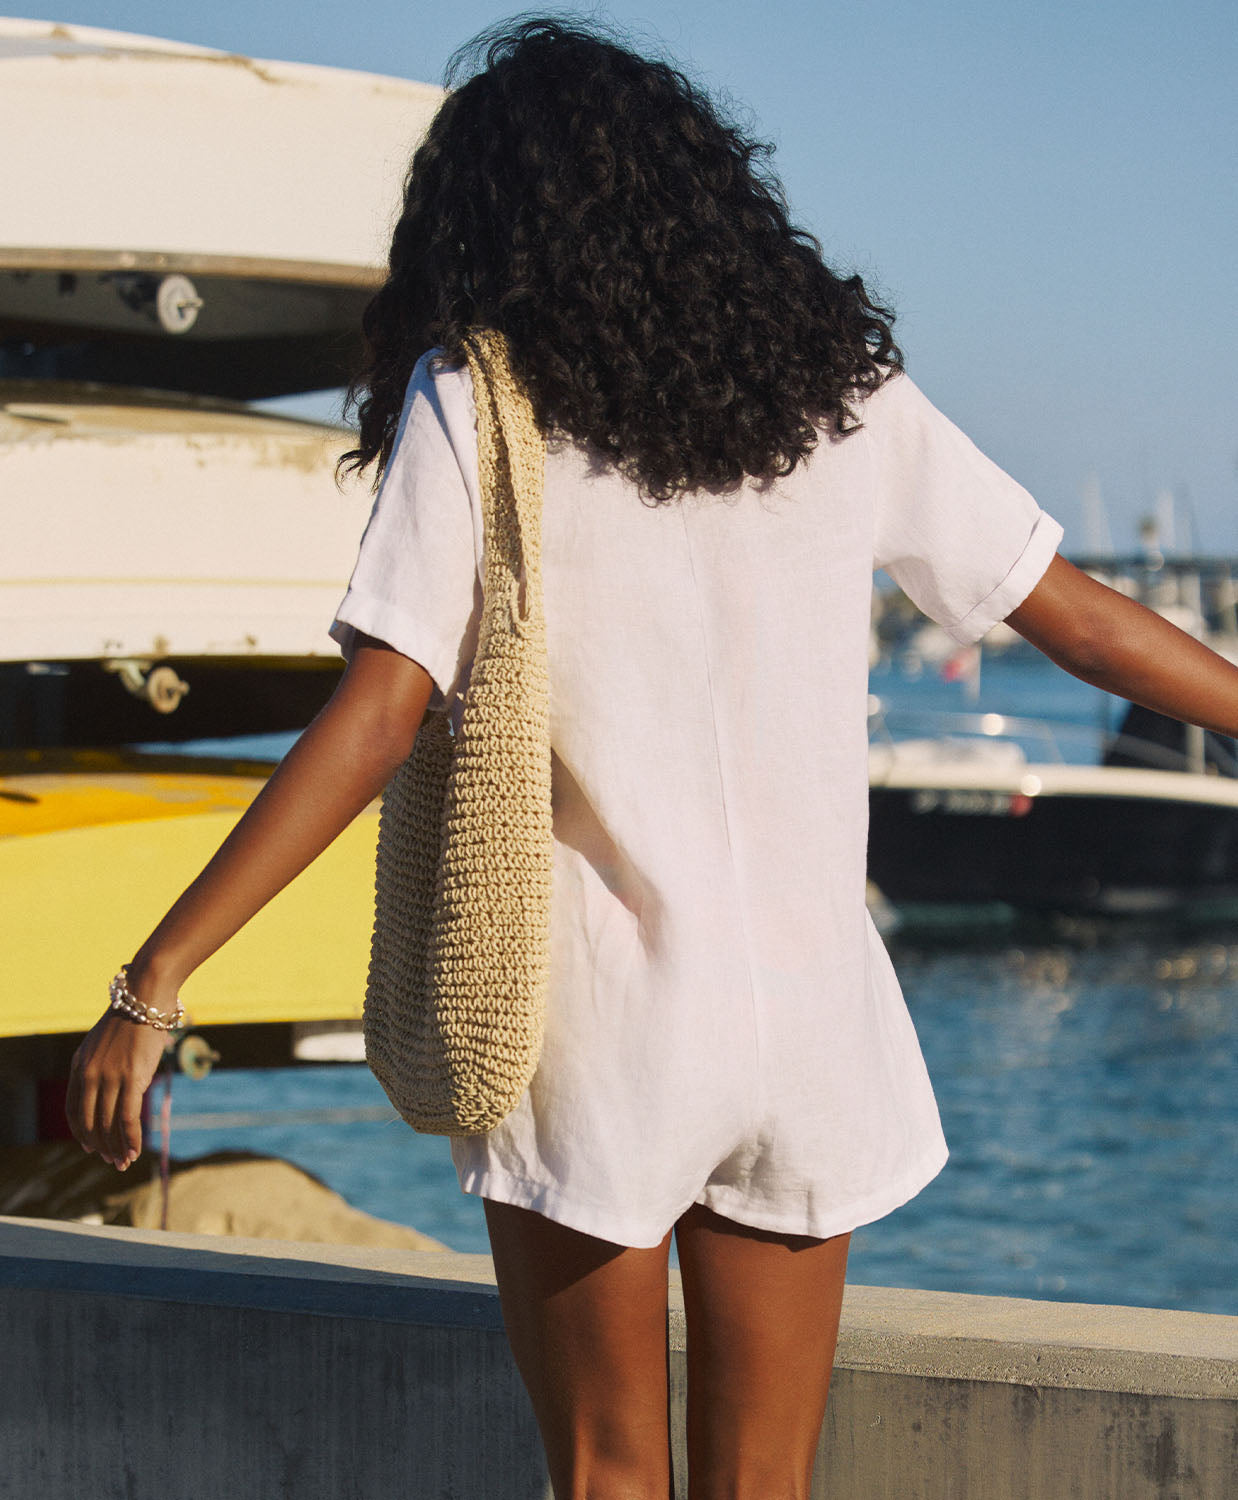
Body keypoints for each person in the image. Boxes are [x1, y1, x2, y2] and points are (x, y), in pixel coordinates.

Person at [65, 18, 1238, 1499]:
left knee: (610, 1476)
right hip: (811, 1024)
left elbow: (379, 714)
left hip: (605, 1028)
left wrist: (156, 978)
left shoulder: (479, 401)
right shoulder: (842, 393)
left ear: (482, 224)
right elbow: (1082, 624)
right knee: (766, 1485)